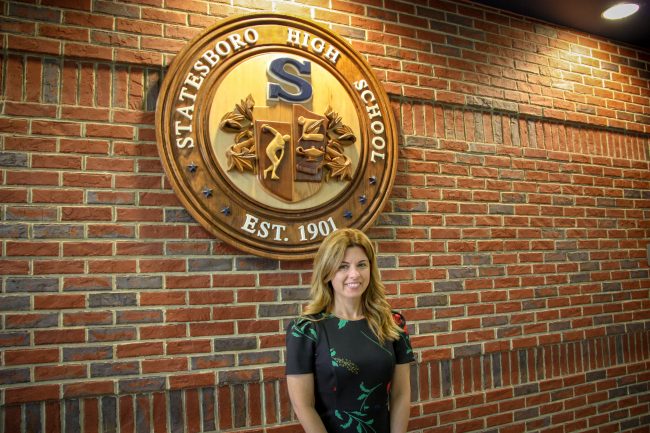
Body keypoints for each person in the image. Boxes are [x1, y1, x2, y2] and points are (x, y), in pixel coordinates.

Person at [285, 228, 414, 433]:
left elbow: (401, 394)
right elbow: (303, 406)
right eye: (343, 266)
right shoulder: (306, 330)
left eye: (361, 264)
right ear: (327, 272)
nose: (354, 274)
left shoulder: (393, 323)